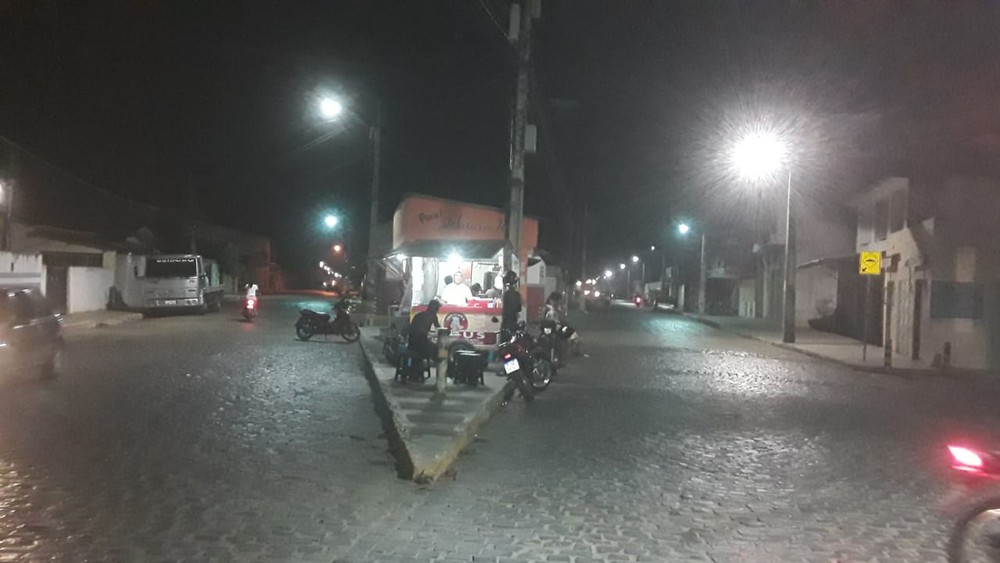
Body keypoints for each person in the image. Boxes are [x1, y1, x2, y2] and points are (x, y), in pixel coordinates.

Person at [500, 270, 522, 339]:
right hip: (512, 322)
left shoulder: (505, 293)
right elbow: (519, 308)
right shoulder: (516, 294)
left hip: (505, 322)